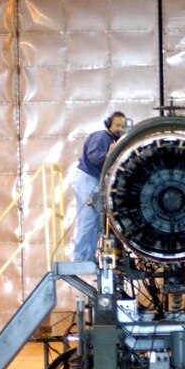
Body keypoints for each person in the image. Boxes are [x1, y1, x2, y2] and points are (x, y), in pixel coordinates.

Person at [72, 111, 127, 262]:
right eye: (117, 125)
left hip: (95, 181)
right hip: (88, 179)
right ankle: (79, 259)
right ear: (108, 124)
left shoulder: (112, 141)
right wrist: (111, 155)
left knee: (96, 221)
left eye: (122, 126)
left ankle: (88, 258)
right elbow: (95, 157)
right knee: (87, 219)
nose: (120, 129)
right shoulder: (101, 137)